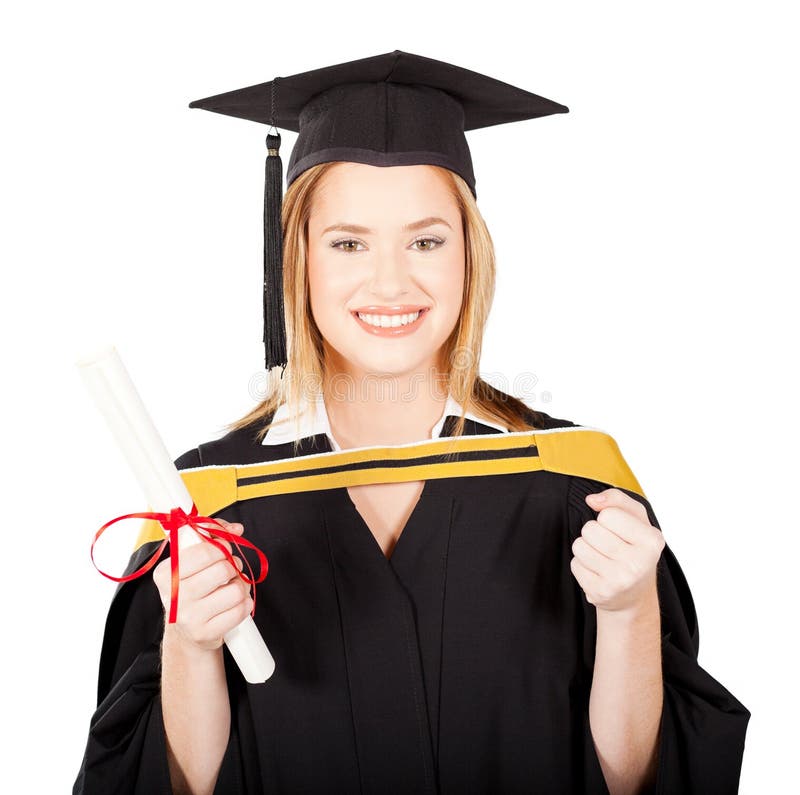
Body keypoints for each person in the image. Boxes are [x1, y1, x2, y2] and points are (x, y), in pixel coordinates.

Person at [74, 50, 750, 795]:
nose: (390, 281)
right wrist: (191, 642)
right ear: (296, 258)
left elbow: (639, 784)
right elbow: (167, 785)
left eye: (426, 240)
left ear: (471, 255)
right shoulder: (209, 505)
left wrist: (627, 613)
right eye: (348, 242)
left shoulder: (575, 483)